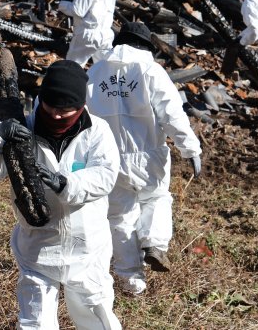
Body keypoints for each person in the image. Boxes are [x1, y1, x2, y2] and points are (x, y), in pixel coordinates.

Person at [0, 60, 122, 329]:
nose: (58, 115)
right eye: (52, 107)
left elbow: (106, 175)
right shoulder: (23, 128)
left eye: (67, 110)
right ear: (42, 99)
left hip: (87, 249)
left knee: (96, 316)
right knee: (34, 323)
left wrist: (65, 183)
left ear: (81, 105)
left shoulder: (97, 131)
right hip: (38, 248)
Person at [86, 21, 202, 295]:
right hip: (149, 153)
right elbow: (172, 113)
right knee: (157, 198)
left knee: (120, 217)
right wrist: (191, 148)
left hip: (108, 158)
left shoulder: (96, 71)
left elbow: (83, 116)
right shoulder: (150, 70)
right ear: (146, 46)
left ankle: (132, 282)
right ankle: (155, 243)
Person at [58, 0, 116, 67]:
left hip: (88, 35)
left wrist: (62, 5)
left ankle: (72, 84)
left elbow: (78, 11)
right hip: (106, 35)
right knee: (104, 68)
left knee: (73, 67)